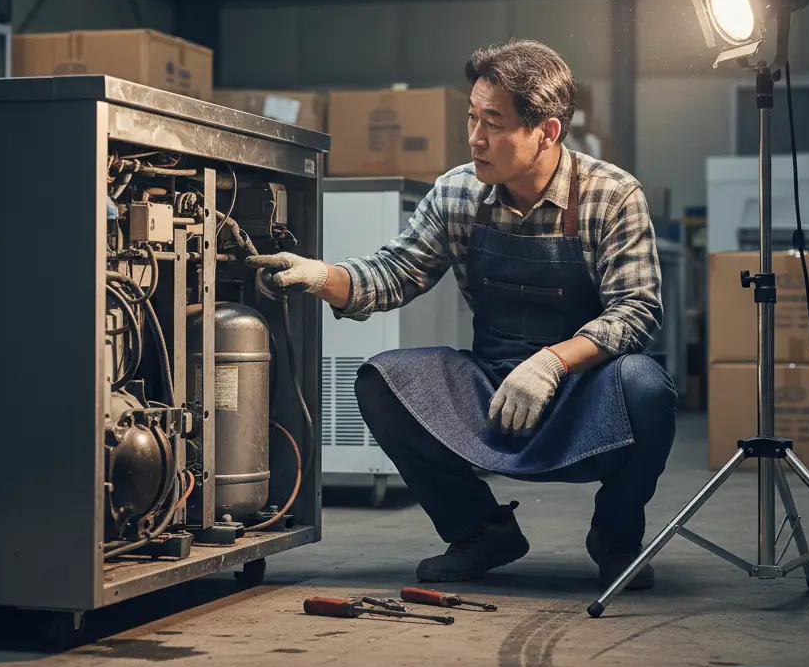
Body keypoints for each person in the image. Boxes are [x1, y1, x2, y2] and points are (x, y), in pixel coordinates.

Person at [247, 40, 677, 591]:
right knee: (381, 381)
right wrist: (318, 274)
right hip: (494, 383)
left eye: (493, 123)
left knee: (646, 386)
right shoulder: (457, 193)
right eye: (472, 118)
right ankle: (480, 530)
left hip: (582, 391)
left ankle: (616, 538)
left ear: (547, 131)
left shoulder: (611, 195)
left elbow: (638, 310)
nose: (475, 137)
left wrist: (551, 364)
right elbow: (393, 273)